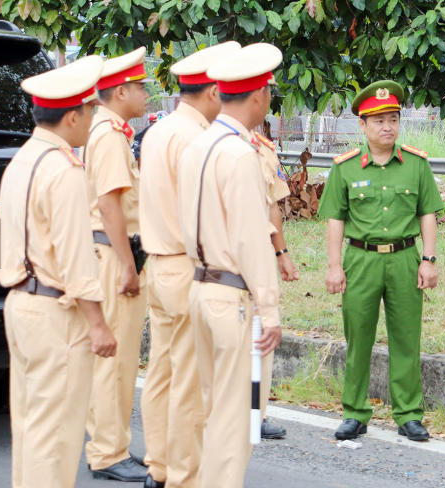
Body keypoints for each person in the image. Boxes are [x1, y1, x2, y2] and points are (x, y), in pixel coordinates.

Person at [0, 55, 118, 488]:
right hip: (55, 312)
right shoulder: (64, 170)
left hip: (20, 301)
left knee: (31, 428)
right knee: (58, 437)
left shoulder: (21, 161)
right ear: (72, 116)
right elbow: (75, 259)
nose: (91, 121)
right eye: (89, 112)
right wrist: (99, 324)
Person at [177, 43, 283, 488]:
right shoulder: (239, 154)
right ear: (258, 96)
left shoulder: (198, 144)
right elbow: (250, 238)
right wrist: (270, 308)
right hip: (231, 293)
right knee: (234, 415)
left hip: (199, 284)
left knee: (210, 403)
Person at [138, 40, 241, 488]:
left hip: (157, 264)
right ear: (215, 91)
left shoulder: (160, 128)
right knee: (191, 383)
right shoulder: (198, 138)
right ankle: (184, 475)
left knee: (161, 373)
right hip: (185, 266)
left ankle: (159, 464)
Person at [317, 80, 444, 443]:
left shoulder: (416, 164)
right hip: (361, 260)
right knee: (358, 338)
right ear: (362, 125)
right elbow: (335, 219)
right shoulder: (345, 168)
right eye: (378, 120)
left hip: (405, 258)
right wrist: (333, 265)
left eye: (393, 118)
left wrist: (429, 259)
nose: (387, 126)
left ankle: (408, 415)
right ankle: (355, 413)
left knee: (406, 338)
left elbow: (428, 214)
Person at [82, 46, 151, 482]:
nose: (146, 94)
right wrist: (128, 266)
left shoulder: (111, 131)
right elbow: (109, 206)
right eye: (142, 87)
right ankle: (107, 452)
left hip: (111, 252)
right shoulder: (108, 135)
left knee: (116, 358)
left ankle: (109, 443)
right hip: (113, 254)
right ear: (122, 89)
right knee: (115, 358)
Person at [250, 128, 299, 439]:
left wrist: (281, 253)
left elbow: (272, 207)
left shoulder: (262, 147)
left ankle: (257, 412)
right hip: (216, 257)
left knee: (263, 329)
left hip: (258, 252)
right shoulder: (206, 139)